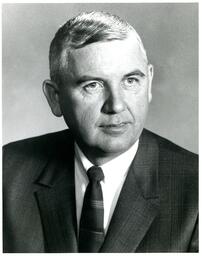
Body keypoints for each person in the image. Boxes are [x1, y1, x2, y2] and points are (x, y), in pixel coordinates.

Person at [3, 11, 198, 253]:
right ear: (55, 98)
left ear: (148, 82)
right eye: (92, 85)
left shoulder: (194, 189)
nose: (115, 105)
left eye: (130, 81)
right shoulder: (8, 172)